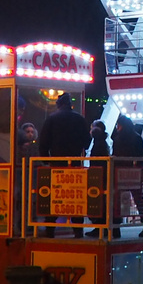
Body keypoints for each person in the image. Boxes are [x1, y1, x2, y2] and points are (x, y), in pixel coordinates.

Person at [37, 93, 88, 236]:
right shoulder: (79, 119)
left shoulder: (52, 118)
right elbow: (87, 141)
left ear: (59, 104)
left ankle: (50, 230)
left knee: (55, 197)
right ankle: (78, 231)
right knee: (75, 199)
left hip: (57, 164)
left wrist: (46, 159)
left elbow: (43, 142)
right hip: (75, 165)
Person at [111, 114, 143, 238]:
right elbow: (141, 157)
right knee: (139, 200)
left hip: (120, 173)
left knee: (118, 201)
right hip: (134, 172)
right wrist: (141, 171)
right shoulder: (137, 138)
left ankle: (116, 229)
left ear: (121, 125)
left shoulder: (117, 138)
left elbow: (115, 156)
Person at [86, 120, 110, 237]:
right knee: (102, 201)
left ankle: (100, 226)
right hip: (102, 175)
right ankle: (102, 227)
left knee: (99, 201)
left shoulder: (98, 143)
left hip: (98, 176)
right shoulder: (102, 142)